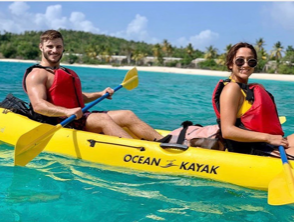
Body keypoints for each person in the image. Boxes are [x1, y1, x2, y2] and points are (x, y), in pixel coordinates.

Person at [23, 29, 163, 141]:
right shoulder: (37, 74)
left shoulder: (66, 72)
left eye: (58, 46)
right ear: (41, 47)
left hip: (78, 117)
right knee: (102, 119)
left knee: (127, 115)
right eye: (50, 46)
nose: (54, 50)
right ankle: (138, 153)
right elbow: (38, 105)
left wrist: (100, 94)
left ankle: (166, 143)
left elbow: (76, 98)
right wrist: (67, 112)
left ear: (63, 48)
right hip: (60, 121)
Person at [212, 42, 294, 158]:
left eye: (251, 61)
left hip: (265, 144)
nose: (246, 65)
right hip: (249, 151)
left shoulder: (253, 89)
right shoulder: (232, 89)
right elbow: (227, 131)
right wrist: (269, 138)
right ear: (230, 64)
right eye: (240, 61)